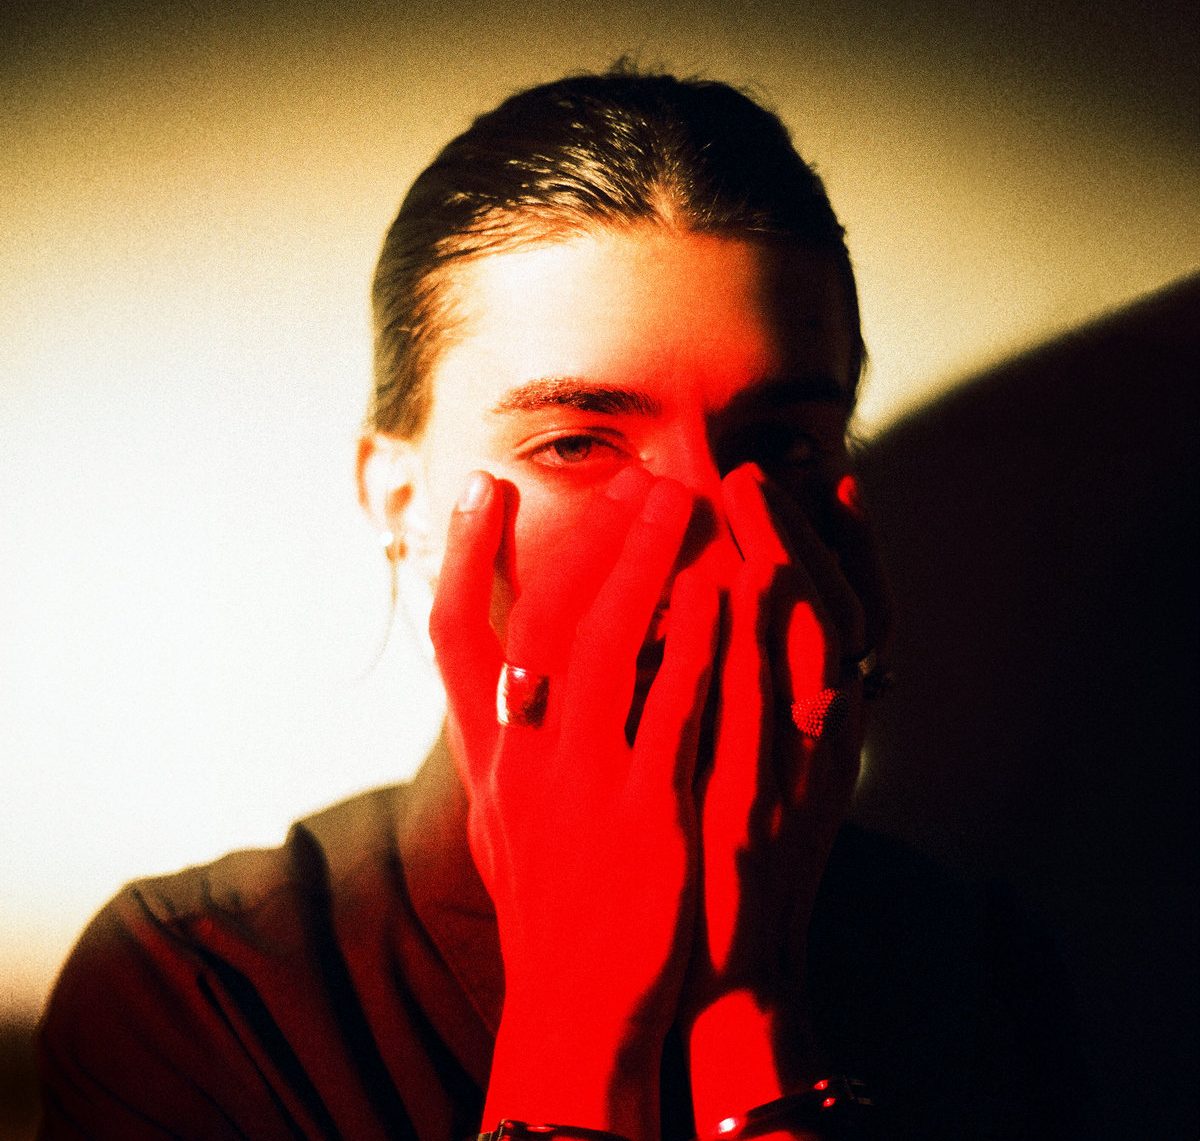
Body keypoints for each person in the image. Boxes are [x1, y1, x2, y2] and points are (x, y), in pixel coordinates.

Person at [36, 67, 1082, 1141]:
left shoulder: (976, 977)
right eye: (576, 443)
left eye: (780, 446)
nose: (702, 531)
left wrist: (752, 1010)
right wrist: (580, 1036)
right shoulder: (199, 997)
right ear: (402, 502)